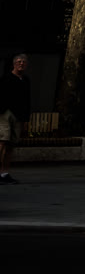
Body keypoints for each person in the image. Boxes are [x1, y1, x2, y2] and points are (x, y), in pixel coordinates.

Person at [0, 54, 31, 182]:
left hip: (19, 116)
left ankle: (4, 173)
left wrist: (26, 119)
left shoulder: (26, 80)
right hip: (5, 114)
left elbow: (27, 100)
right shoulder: (6, 78)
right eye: (19, 61)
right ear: (14, 64)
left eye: (23, 62)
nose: (21, 63)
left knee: (11, 145)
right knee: (2, 142)